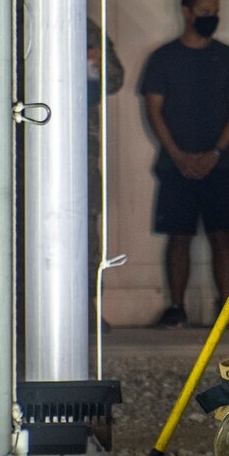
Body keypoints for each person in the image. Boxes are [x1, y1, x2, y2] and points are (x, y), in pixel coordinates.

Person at [140, 0, 229, 327]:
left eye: (215, 12)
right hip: (175, 165)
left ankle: (227, 309)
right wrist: (177, 154)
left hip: (220, 164)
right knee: (179, 236)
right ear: (186, 11)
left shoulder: (228, 57)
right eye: (204, 12)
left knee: (221, 234)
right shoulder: (164, 58)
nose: (210, 18)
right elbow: (154, 110)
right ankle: (176, 307)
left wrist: (216, 152)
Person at [87, 18, 124, 325]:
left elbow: (114, 79)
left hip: (79, 146)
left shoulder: (85, 28)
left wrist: (93, 62)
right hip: (17, 146)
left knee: (85, 226)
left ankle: (85, 305)